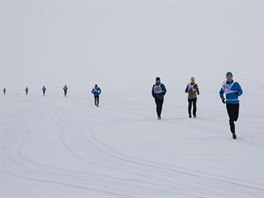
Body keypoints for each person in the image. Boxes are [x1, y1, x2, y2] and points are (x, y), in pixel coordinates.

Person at [219, 72, 243, 139]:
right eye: (228, 77)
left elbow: (241, 91)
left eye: (230, 76)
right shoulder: (224, 85)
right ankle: (233, 132)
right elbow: (221, 92)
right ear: (226, 77)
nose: (229, 78)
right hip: (228, 103)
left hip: (236, 103)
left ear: (232, 77)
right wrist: (222, 98)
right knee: (231, 118)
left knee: (235, 118)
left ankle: (232, 121)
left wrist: (238, 92)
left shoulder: (236, 84)